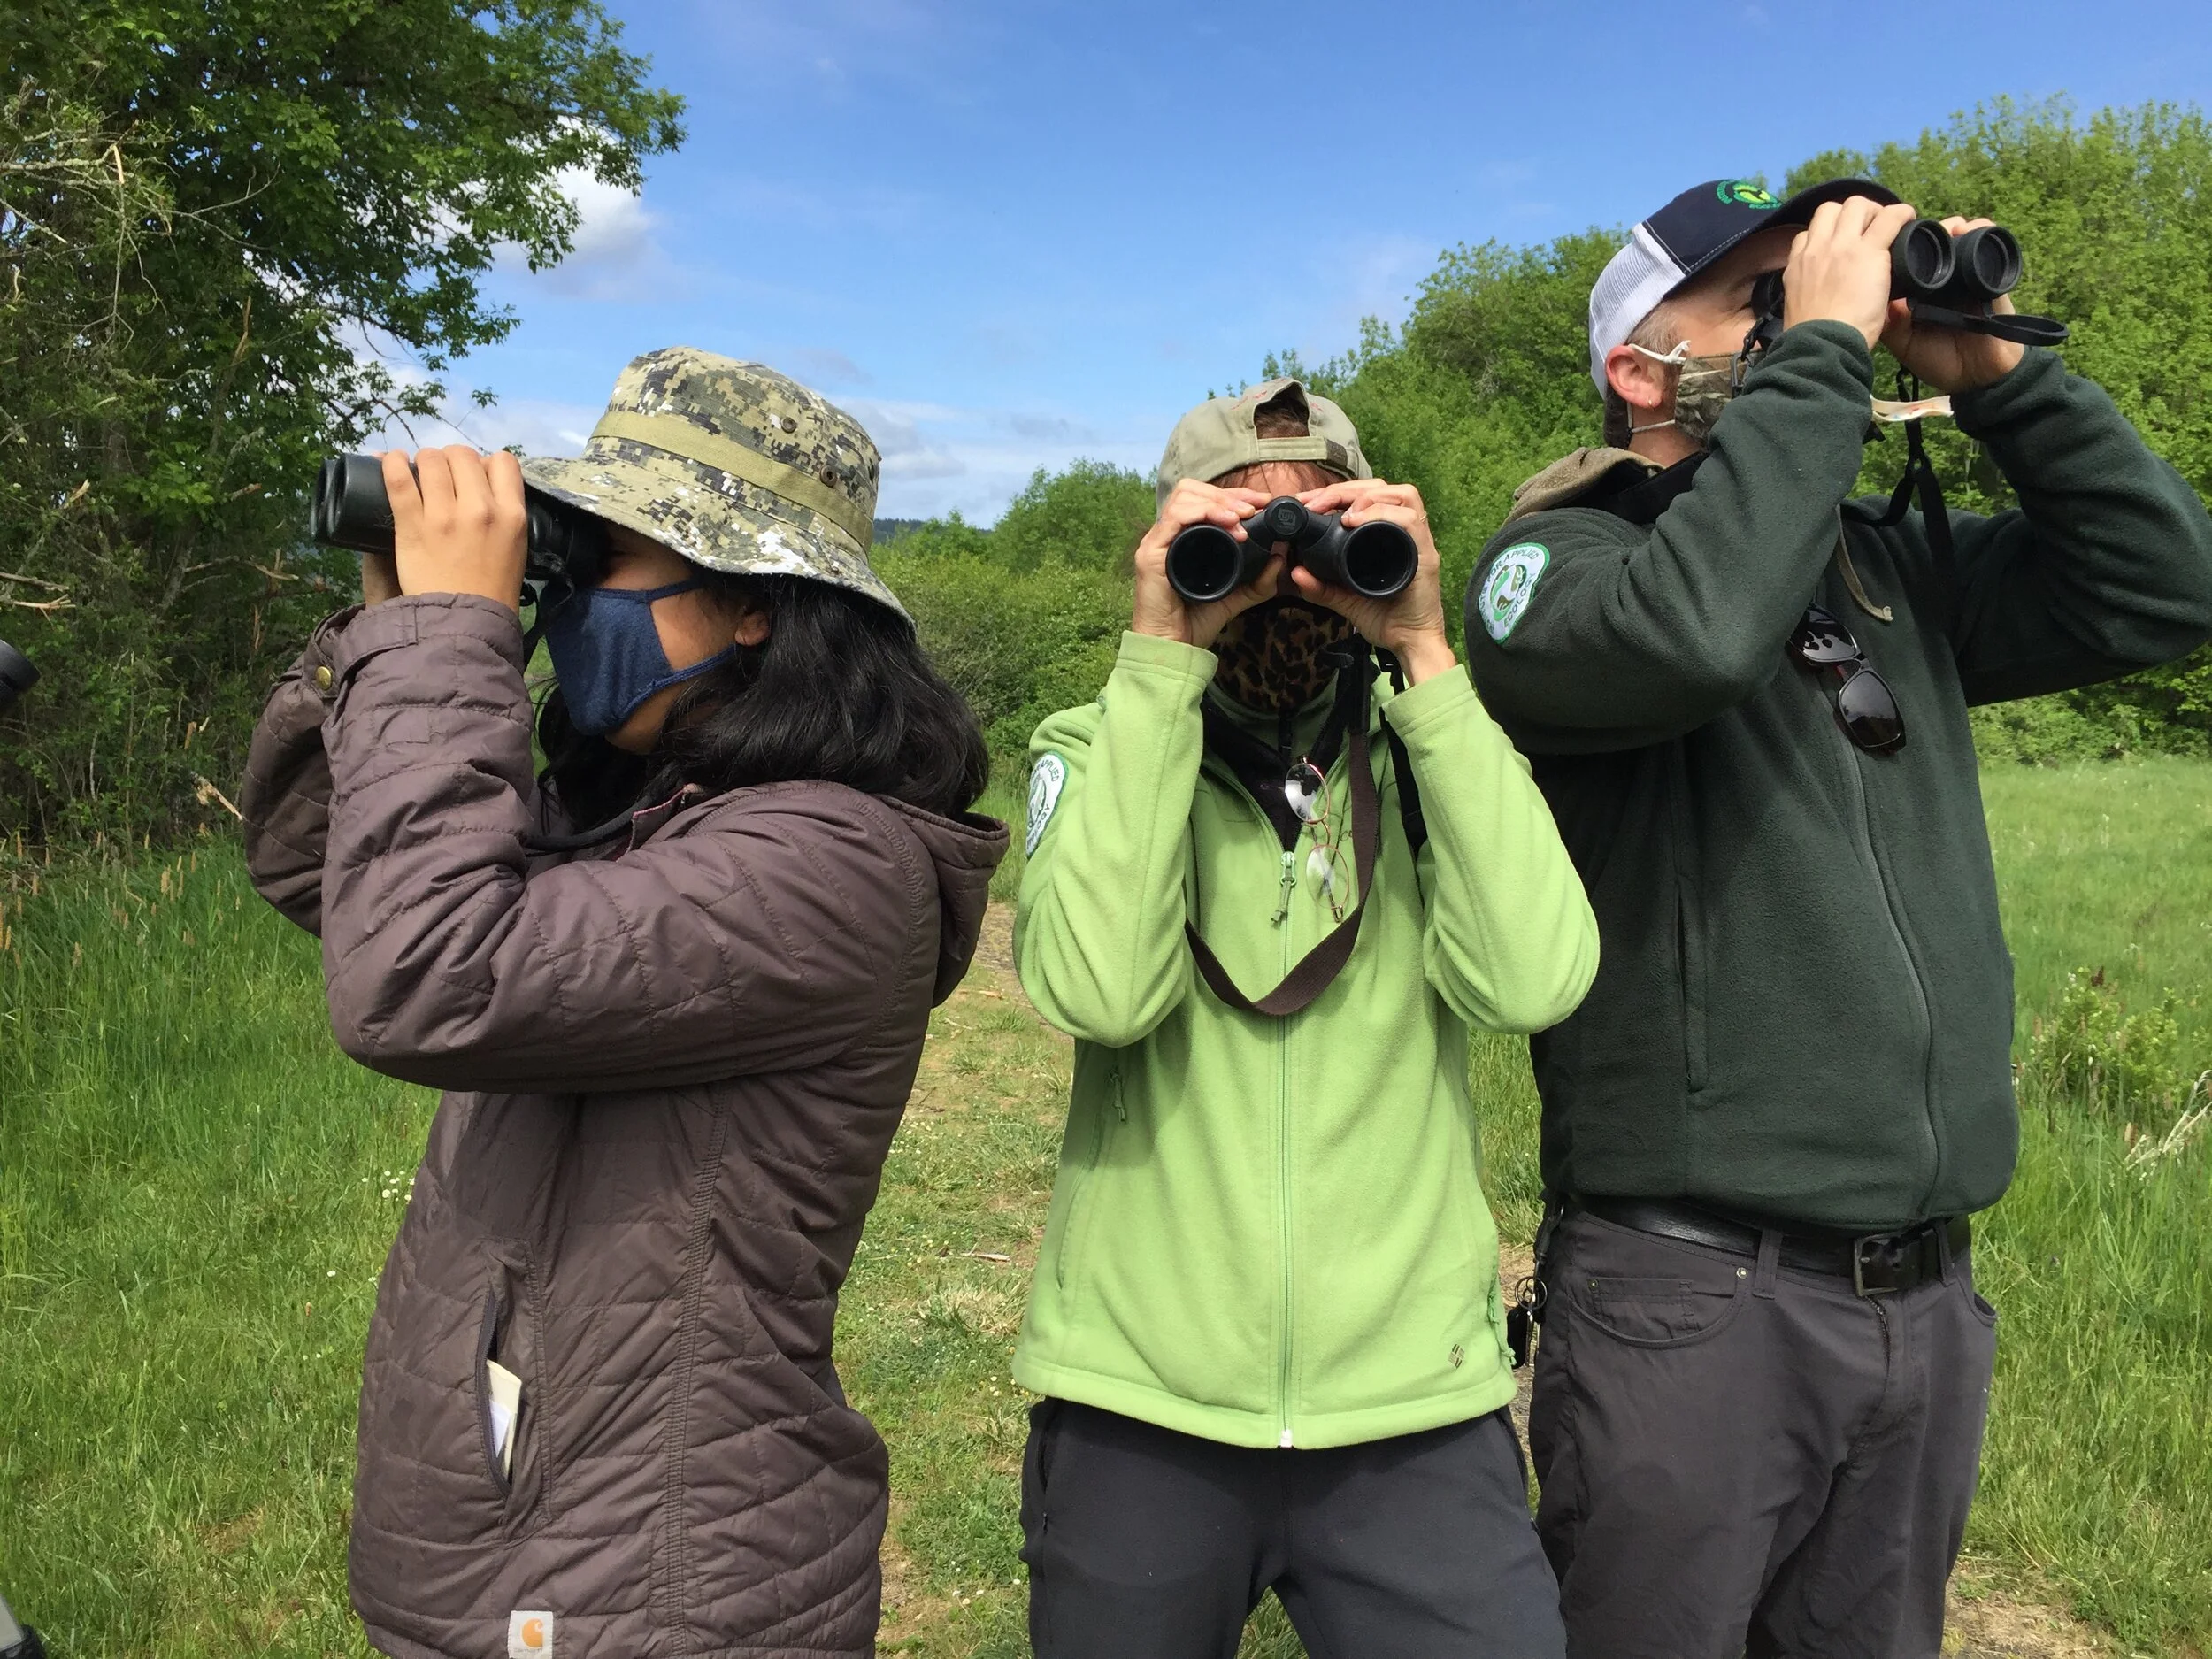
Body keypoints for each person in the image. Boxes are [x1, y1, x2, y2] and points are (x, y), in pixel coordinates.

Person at [1462, 179, 2212, 1658]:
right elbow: (1697, 631)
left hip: (1921, 1297)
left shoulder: (1884, 564)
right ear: (1639, 370)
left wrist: (2003, 378)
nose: (1831, 312)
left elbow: (2169, 587)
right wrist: (1821, 354)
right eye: (1764, 296)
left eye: (1833, 286)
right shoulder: (1549, 567)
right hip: (1694, 1289)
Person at [239, 349, 1007, 1659]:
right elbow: (322, 867)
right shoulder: (638, 813)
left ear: (755, 604)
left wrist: (446, 637)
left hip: (657, 1588)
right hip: (547, 1547)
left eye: (606, 561)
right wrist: (380, 635)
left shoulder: (830, 864)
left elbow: (421, 976)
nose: (569, 595)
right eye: (566, 557)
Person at [1010, 378, 1600, 1658]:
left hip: (1414, 1401)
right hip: (1140, 1403)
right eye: (1235, 535)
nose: (1280, 570)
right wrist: (1165, 657)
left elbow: (1537, 980)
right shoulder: (1092, 740)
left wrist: (1427, 654)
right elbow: (1098, 992)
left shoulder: (1427, 751)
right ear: (1168, 541)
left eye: (1319, 530)